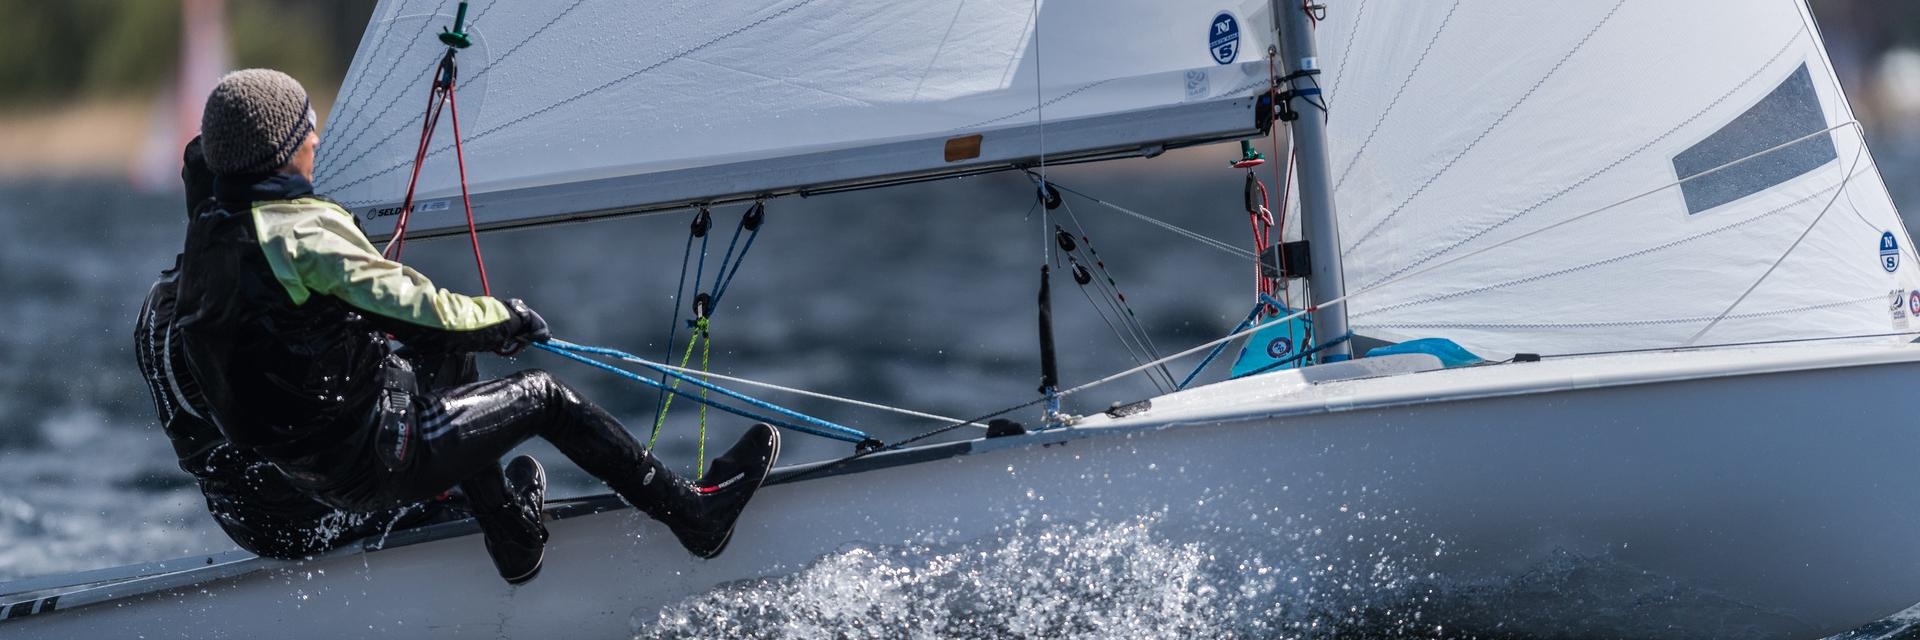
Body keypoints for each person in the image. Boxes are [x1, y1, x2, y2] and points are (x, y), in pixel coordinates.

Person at [171, 69, 779, 583]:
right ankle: (693, 516)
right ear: (284, 148)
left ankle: (512, 536)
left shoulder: (211, 235)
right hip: (373, 458)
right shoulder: (298, 234)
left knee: (444, 363)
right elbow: (425, 314)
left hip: (312, 464)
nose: (317, 139)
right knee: (543, 397)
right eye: (308, 129)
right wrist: (505, 318)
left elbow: (208, 164)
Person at [137, 135, 549, 582]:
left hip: (252, 519)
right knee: (450, 355)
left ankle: (460, 505)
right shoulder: (229, 301)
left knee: (402, 391)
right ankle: (504, 527)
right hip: (304, 513)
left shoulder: (167, 298)